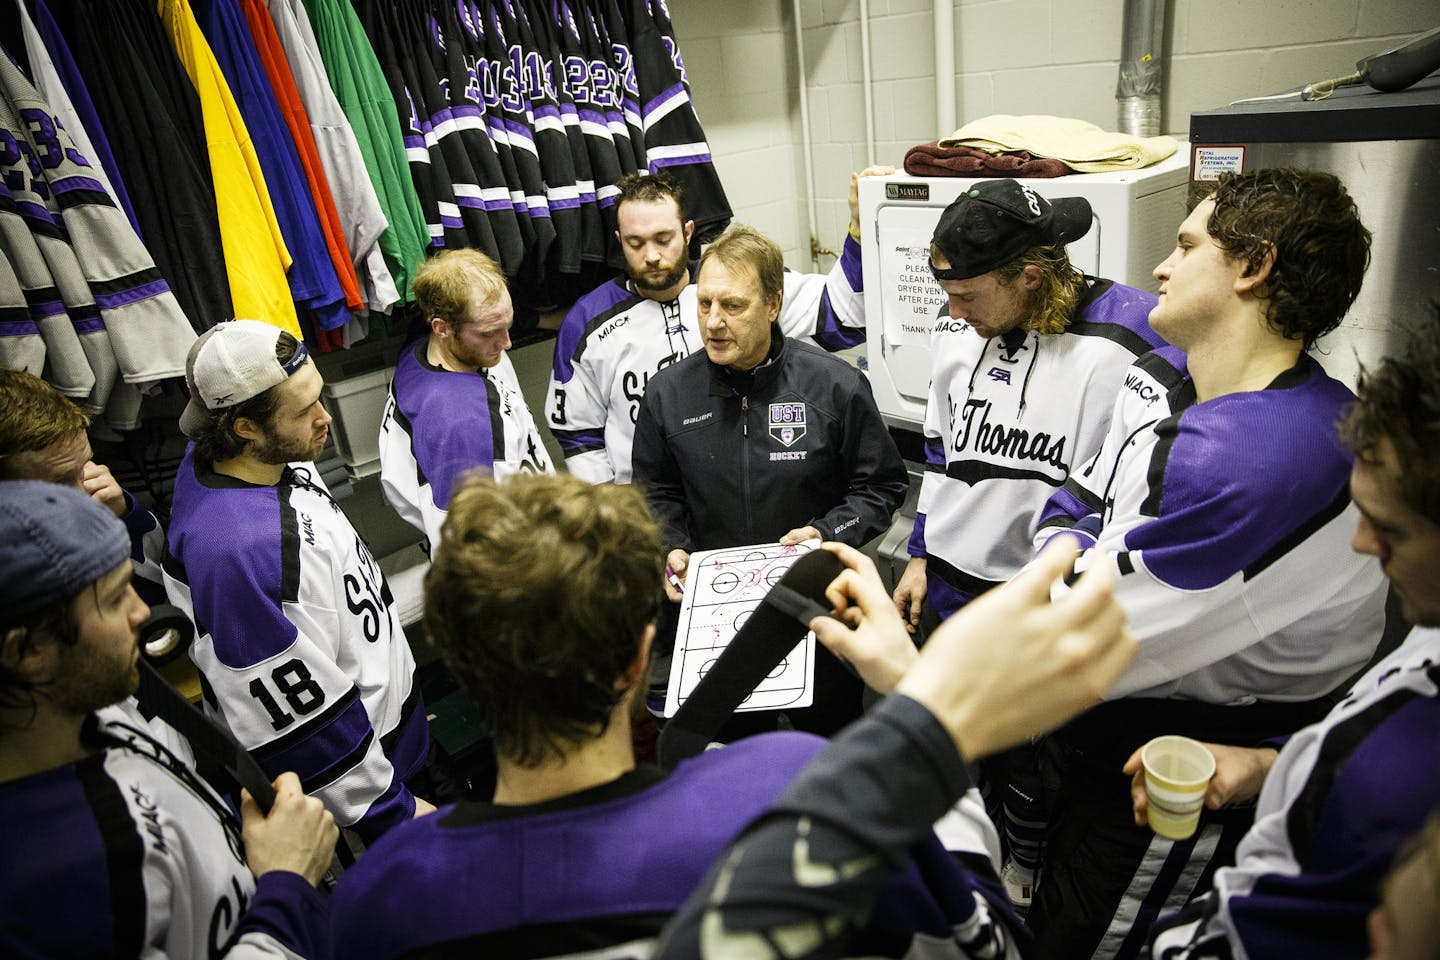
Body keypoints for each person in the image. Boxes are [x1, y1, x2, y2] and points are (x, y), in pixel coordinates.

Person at [330, 472, 1003, 959]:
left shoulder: (380, 895)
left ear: (457, 662)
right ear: (638, 660)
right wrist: (920, 700)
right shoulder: (787, 796)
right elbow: (982, 936)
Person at [1027, 169, 1388, 958]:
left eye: (1187, 245)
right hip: (1101, 733)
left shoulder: (1254, 460)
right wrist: (1063, 552)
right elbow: (1080, 496)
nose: (1160, 266)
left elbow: (1057, 647)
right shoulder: (1171, 376)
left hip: (1173, 764)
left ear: (1252, 267)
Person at [650, 535, 1138, 960]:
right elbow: (984, 933)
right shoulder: (786, 772)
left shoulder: (693, 792)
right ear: (637, 658)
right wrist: (934, 719)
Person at [1127, 311, 1440, 959]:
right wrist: (1268, 765)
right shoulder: (1428, 632)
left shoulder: (1405, 772)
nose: (1362, 542)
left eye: (1393, 530)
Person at [889, 179, 1165, 903]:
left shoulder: (1133, 336)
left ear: (1031, 276)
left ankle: (1022, 865)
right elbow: (940, 445)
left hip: (1035, 586)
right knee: (948, 735)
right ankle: (953, 859)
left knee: (1033, 756)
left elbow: (1127, 486)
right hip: (949, 576)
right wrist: (920, 547)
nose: (950, 314)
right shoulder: (962, 322)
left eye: (968, 296)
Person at [0, 481, 337, 958]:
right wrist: (288, 881)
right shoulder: (49, 884)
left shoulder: (81, 710)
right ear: (28, 651)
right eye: (116, 599)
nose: (142, 611)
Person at [631, 223, 909, 735]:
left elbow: (881, 487)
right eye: (704, 304)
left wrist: (826, 534)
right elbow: (655, 493)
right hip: (717, 617)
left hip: (818, 610)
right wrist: (669, 546)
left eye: (733, 306)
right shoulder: (668, 395)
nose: (713, 322)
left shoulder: (834, 386)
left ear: (773, 304)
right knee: (734, 762)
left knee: (827, 751)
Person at [164, 319, 434, 844]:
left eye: (319, 395)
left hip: (393, 739)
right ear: (245, 427)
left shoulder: (240, 457)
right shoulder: (240, 553)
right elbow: (295, 723)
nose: (324, 417)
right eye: (303, 408)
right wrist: (390, 812)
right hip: (366, 792)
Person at [545, 167, 888, 485]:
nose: (651, 255)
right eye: (636, 243)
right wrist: (615, 514)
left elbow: (846, 315)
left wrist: (858, 227)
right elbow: (577, 433)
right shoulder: (586, 323)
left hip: (739, 494)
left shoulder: (739, 285)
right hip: (649, 511)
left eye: (663, 239)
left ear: (688, 231)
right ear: (619, 240)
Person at [378, 247, 554, 551]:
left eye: (507, 327)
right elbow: (472, 550)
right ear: (442, 328)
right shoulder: (460, 424)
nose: (507, 343)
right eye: (489, 333)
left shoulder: (427, 347)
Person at [0, 368, 166, 607]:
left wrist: (126, 521)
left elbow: (158, 601)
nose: (87, 493)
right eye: (61, 482)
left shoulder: (106, 499)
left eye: (85, 463)